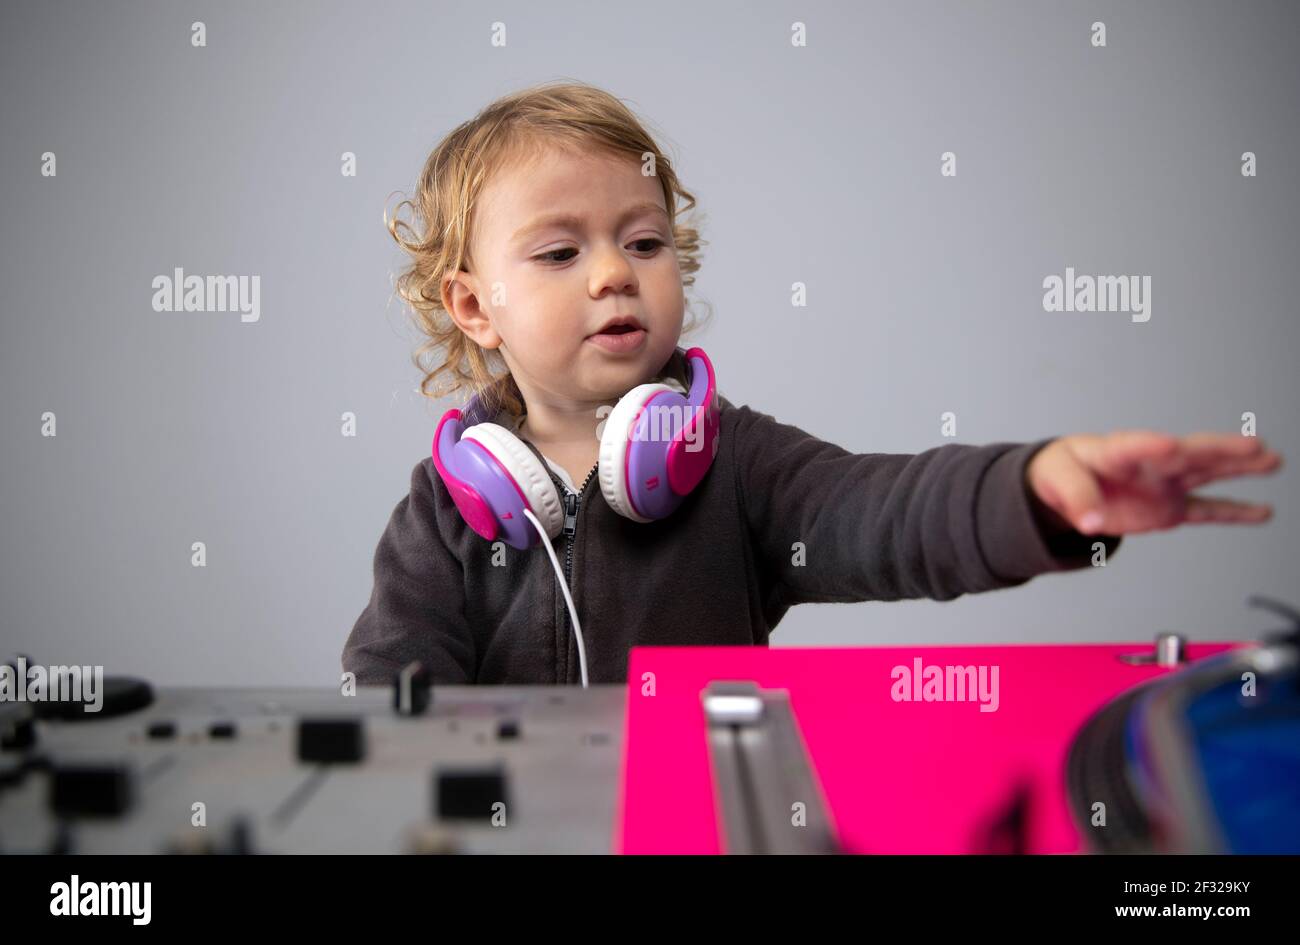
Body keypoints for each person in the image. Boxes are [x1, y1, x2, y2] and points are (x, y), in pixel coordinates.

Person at [342, 81, 1282, 687]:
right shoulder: (445, 511)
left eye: (644, 241)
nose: (613, 274)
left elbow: (882, 512)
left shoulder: (737, 465)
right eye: (559, 250)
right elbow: (391, 696)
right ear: (474, 306)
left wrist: (1032, 491)